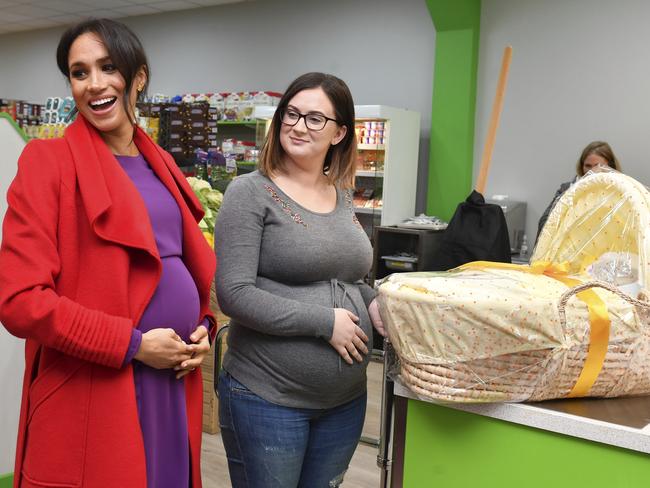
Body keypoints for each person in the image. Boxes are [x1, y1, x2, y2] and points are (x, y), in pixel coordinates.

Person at [0, 19, 216, 488]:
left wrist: (203, 328)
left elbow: (183, 268)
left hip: (171, 385)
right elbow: (21, 301)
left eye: (108, 67)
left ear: (137, 77)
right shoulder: (47, 164)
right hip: (99, 387)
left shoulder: (158, 161)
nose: (94, 84)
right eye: (79, 72)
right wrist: (134, 345)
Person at [214, 72, 385, 488]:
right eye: (291, 114)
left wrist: (374, 302)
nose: (297, 125)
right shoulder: (249, 193)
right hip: (267, 396)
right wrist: (324, 322)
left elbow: (345, 277)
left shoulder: (341, 194)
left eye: (314, 118)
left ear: (340, 133)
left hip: (344, 402)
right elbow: (233, 294)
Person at [537, 140, 621, 238]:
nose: (592, 171)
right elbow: (545, 223)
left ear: (610, 167)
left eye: (598, 166)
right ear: (581, 167)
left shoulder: (618, 192)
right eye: (587, 166)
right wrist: (576, 191)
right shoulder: (566, 189)